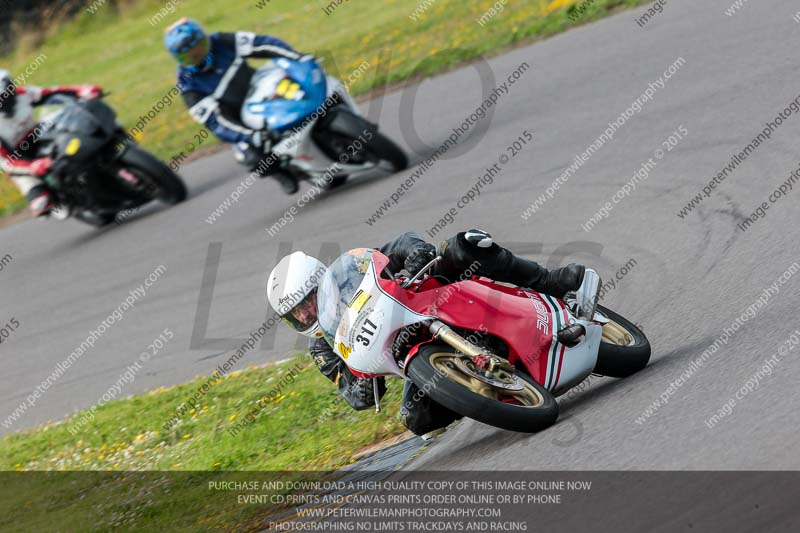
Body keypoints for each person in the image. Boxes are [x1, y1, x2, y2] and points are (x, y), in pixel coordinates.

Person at [266, 229, 586, 437]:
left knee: (463, 246)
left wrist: (417, 252)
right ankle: (481, 393)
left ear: (319, 283)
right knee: (413, 418)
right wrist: (361, 387)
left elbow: (398, 245)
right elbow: (351, 392)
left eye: (306, 303)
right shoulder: (323, 348)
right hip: (412, 354)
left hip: (434, 299)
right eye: (295, 314)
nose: (306, 314)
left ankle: (548, 281)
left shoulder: (351, 271)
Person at [164, 18, 304, 194]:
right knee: (250, 157)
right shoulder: (188, 86)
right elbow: (215, 122)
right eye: (189, 55)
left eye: (199, 47)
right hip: (240, 118)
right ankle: (281, 172)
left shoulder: (221, 41)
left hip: (261, 86)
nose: (197, 56)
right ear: (178, 58)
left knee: (301, 88)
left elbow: (261, 43)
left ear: (205, 39)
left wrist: (294, 56)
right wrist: (249, 135)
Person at [0, 69, 101, 216]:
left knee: (74, 128)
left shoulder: (23, 94)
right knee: (41, 202)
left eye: (10, 89)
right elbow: (6, 162)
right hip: (18, 159)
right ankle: (51, 198)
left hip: (40, 136)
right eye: (4, 96)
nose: (9, 97)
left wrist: (81, 90)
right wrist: (32, 166)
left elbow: (52, 92)